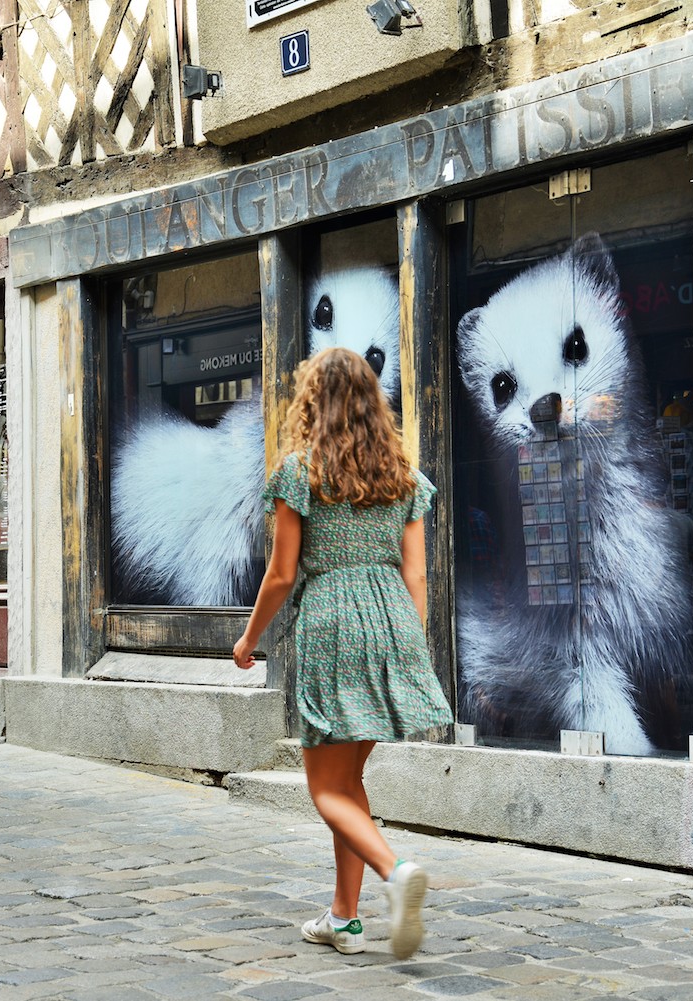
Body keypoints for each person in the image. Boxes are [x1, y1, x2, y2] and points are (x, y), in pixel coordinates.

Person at [233, 347, 452, 960]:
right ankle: (345, 918)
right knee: (349, 780)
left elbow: (280, 575)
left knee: (325, 790)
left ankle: (396, 871)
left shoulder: (299, 473)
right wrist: (414, 648)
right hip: (390, 621)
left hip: (330, 619)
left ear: (312, 401)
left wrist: (250, 639)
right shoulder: (403, 476)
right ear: (372, 404)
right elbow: (417, 576)